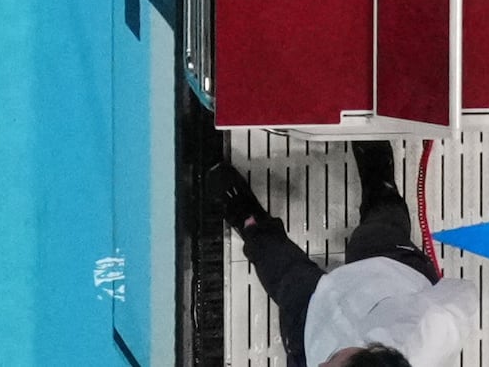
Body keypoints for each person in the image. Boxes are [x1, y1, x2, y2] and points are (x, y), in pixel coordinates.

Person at [192, 139, 467, 367]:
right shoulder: (432, 333)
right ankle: (380, 185)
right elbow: (462, 296)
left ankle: (248, 218)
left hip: (313, 324)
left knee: (282, 271)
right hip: (390, 272)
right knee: (380, 227)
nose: (321, 365)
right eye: (333, 361)